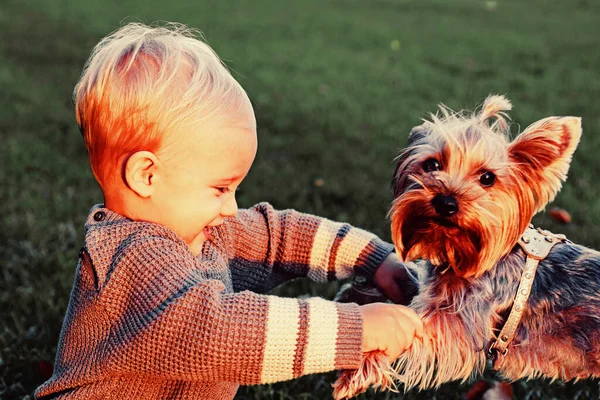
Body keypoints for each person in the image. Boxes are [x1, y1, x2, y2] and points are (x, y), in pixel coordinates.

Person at [35, 22, 423, 399]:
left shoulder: (203, 232)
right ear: (146, 175)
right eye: (220, 188)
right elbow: (217, 332)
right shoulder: (130, 261)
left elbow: (278, 237)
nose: (231, 207)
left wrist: (374, 259)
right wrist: (355, 329)